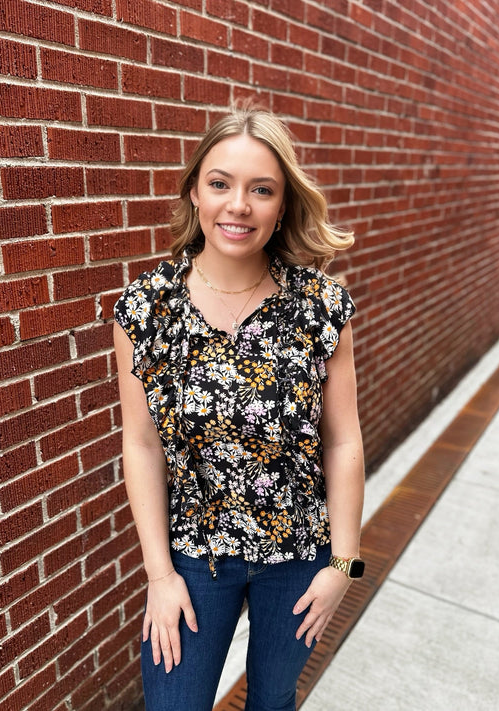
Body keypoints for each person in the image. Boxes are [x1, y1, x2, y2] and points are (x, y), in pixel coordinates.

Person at [113, 104, 365, 711]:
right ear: (195, 191)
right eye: (221, 183)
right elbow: (142, 444)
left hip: (299, 552)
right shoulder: (147, 308)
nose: (239, 205)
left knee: (274, 698)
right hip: (195, 555)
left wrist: (343, 563)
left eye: (262, 190)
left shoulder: (321, 307)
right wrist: (159, 575)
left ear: (282, 208)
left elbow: (343, 440)